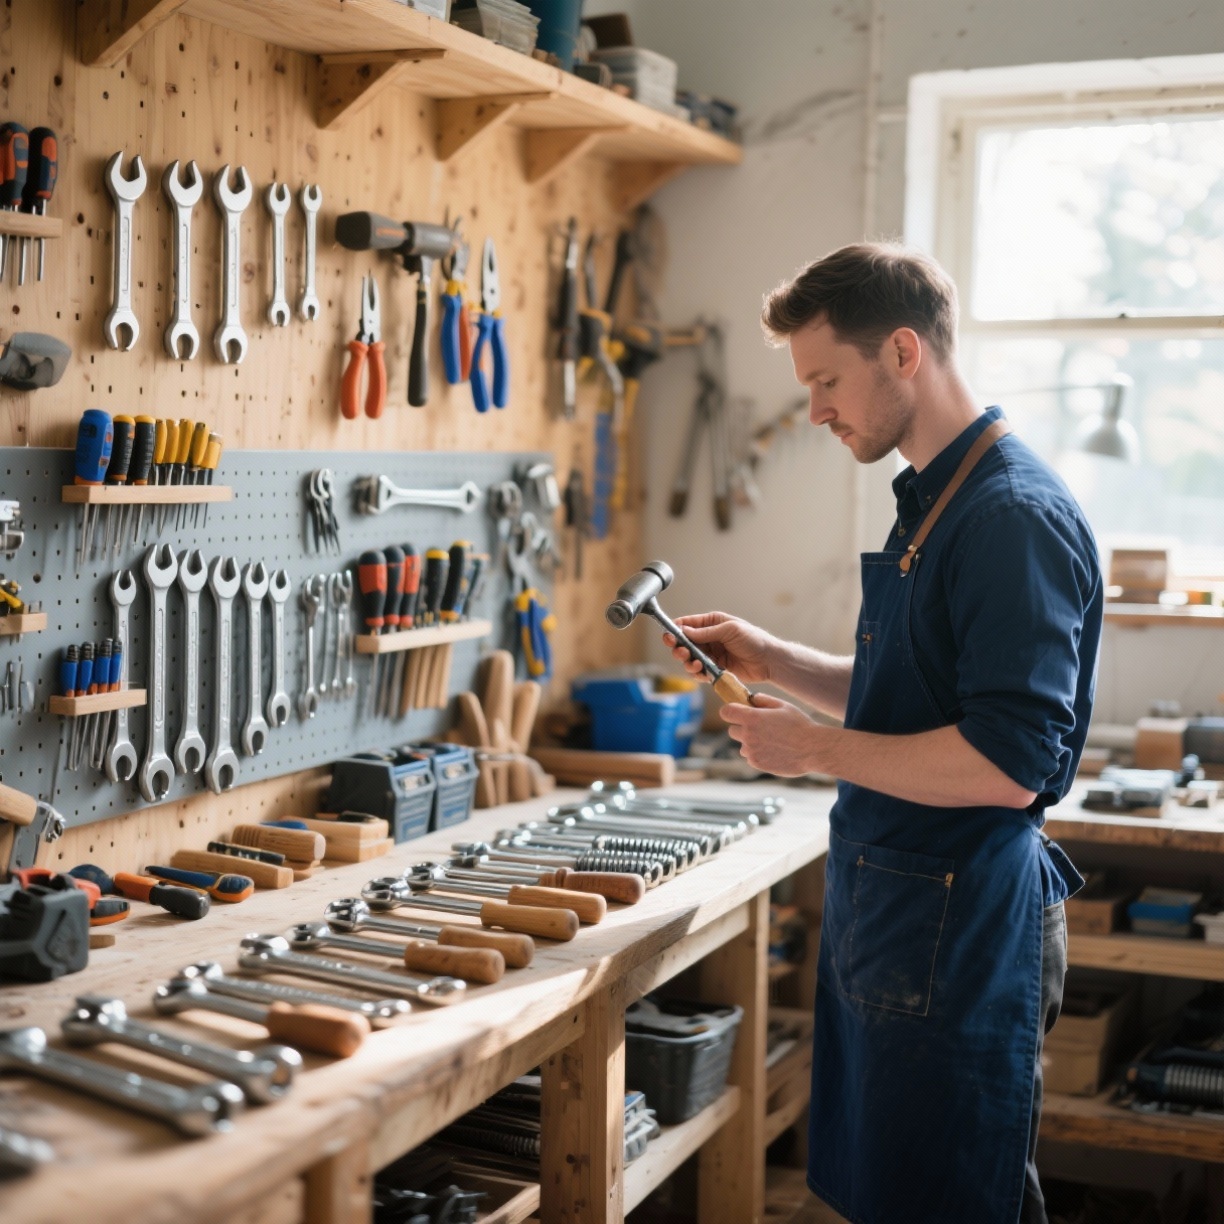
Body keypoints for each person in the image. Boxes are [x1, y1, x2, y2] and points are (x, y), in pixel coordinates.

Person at [665, 243, 1103, 1224]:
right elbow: (916, 697)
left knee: (956, 1202)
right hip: (905, 914)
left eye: (827, 379)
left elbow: (1009, 761)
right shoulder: (935, 497)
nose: (815, 408)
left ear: (904, 351)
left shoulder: (1007, 518)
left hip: (967, 927)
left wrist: (811, 749)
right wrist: (776, 660)